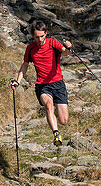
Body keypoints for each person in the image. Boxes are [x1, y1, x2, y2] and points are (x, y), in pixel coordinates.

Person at [11, 18, 72, 146]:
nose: (40, 39)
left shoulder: (53, 43)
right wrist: (18, 81)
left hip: (58, 84)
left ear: (46, 33)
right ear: (33, 36)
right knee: (48, 104)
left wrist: (68, 48)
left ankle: (55, 114)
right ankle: (56, 135)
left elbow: (65, 53)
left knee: (64, 121)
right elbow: (25, 65)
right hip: (42, 86)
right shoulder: (31, 49)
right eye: (37, 37)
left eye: (42, 36)